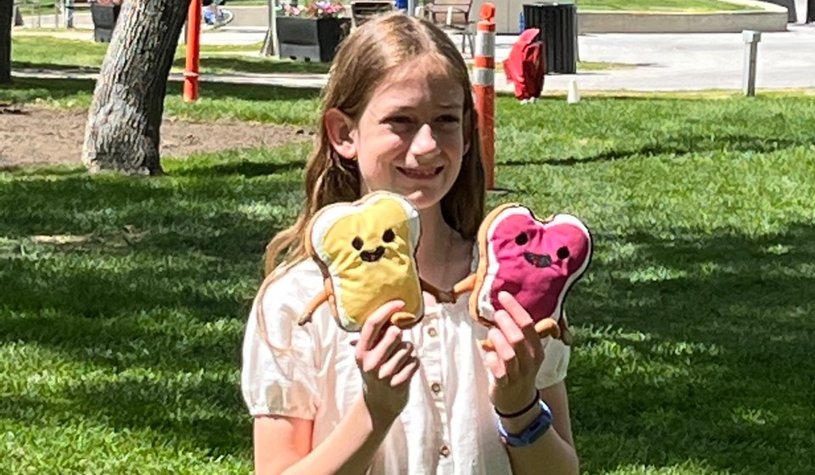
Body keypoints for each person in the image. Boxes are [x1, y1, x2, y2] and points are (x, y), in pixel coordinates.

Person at [241, 12, 580, 475]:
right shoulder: (297, 303)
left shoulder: (514, 285)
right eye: (400, 121)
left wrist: (520, 408)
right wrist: (374, 413)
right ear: (344, 134)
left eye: (444, 120)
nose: (425, 146)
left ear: (465, 133)